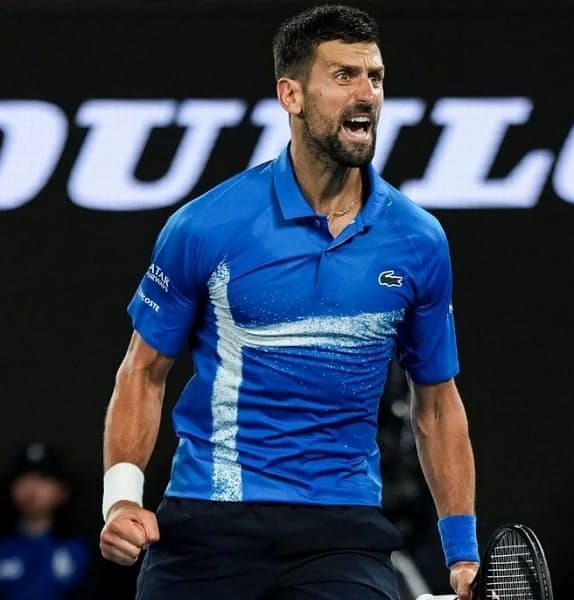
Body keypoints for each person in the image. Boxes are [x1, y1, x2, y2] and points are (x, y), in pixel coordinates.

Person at [98, 6, 478, 600]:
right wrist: (121, 498)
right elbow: (142, 373)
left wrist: (461, 551)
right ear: (292, 95)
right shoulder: (205, 226)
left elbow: (435, 404)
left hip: (340, 528)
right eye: (345, 76)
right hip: (209, 518)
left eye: (375, 77)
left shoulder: (418, 240)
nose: (367, 95)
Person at [0, 443, 90, 600]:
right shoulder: (4, 544)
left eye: (43, 479)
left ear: (63, 491)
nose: (32, 488)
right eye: (23, 478)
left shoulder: (83, 548)